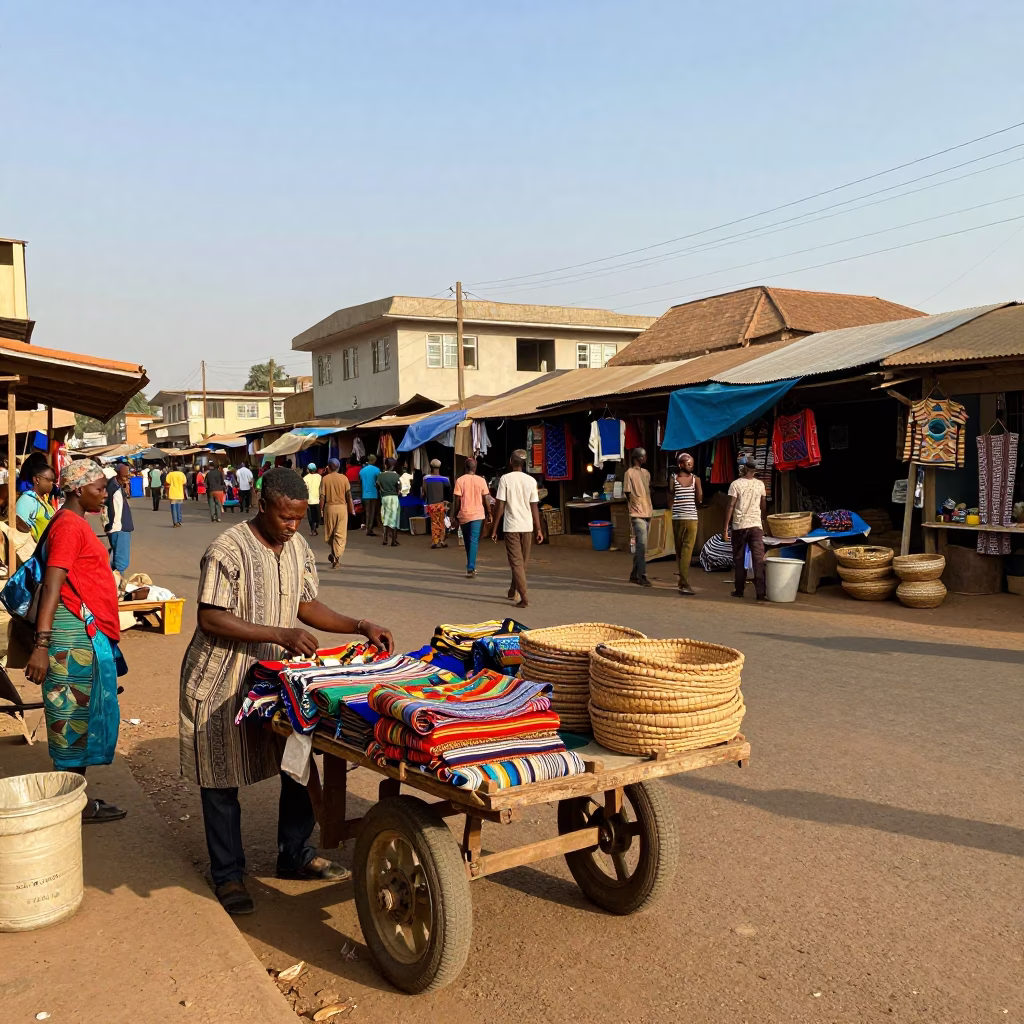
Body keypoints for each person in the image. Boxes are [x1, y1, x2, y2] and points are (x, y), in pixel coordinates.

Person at [178, 468, 393, 914]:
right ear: (263, 505)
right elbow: (210, 617)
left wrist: (360, 624)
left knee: (296, 763)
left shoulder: (297, 547)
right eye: (285, 517)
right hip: (222, 677)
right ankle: (228, 875)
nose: (293, 526)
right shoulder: (228, 549)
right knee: (221, 775)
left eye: (299, 517)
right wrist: (280, 633)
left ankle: (293, 853)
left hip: (275, 679)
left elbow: (306, 604)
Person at [25, 460, 127, 823]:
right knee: (70, 718)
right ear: (77, 489)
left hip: (80, 633)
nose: (104, 493)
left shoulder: (72, 522)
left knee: (78, 717)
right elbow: (53, 583)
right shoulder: (69, 526)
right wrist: (41, 645)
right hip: (69, 637)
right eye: (99, 488)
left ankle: (74, 801)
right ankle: (69, 807)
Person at [490, 450, 543, 608]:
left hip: (511, 526)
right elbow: (534, 507)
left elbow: (500, 506)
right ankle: (513, 590)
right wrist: (538, 529)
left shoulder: (505, 479)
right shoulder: (531, 481)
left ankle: (524, 596)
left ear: (511, 462)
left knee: (516, 562)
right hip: (527, 526)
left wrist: (494, 529)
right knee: (522, 562)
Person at [724, 457, 768, 601]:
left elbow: (731, 506)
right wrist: (762, 520)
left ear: (744, 469)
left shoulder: (735, 484)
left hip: (739, 526)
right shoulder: (760, 485)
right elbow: (763, 506)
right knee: (758, 560)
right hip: (756, 526)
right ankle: (761, 593)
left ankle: (739, 590)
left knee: (739, 558)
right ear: (754, 470)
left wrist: (725, 528)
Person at [671, 451, 702, 596]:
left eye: (692, 464)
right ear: (681, 464)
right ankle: (684, 583)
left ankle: (682, 582)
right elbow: (699, 498)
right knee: (686, 551)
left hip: (677, 517)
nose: (691, 466)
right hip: (691, 518)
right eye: (689, 464)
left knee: (680, 550)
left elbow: (670, 496)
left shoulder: (673, 479)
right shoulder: (696, 480)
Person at [453, 457, 491, 577]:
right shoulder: (482, 481)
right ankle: (471, 566)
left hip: (464, 514)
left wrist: (454, 515)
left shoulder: (460, 480)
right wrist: (489, 512)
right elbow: (486, 498)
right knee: (474, 540)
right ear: (475, 468)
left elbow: (457, 500)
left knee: (467, 541)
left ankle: (470, 566)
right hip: (478, 514)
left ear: (466, 467)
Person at [623, 447, 653, 588]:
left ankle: (634, 574)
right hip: (637, 513)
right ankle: (642, 575)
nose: (645, 458)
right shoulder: (629, 473)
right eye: (644, 456)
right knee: (641, 545)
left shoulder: (646, 473)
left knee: (643, 546)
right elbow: (628, 493)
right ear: (638, 457)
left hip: (647, 511)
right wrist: (634, 505)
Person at [320, 458, 354, 569]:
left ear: (328, 467)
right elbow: (349, 496)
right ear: (338, 467)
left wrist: (320, 510)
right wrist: (351, 508)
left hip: (329, 508)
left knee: (330, 534)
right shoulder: (344, 478)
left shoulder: (325, 479)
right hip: (342, 508)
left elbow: (322, 497)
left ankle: (334, 554)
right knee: (340, 534)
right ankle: (336, 557)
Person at [104, 463, 135, 571]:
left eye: (128, 476)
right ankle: (116, 585)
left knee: (115, 558)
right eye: (125, 476)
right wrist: (113, 528)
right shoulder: (115, 488)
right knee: (121, 563)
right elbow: (115, 511)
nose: (127, 479)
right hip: (119, 528)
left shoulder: (114, 484)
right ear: (118, 474)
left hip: (117, 528)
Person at [15, 462, 56, 541]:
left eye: (53, 481)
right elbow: (18, 530)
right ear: (37, 479)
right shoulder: (27, 500)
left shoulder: (44, 500)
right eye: (49, 480)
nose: (52, 484)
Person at [422, 459, 451, 548]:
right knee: (441, 522)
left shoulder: (426, 478)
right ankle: (442, 541)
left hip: (431, 504)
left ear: (431, 467)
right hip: (441, 504)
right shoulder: (445, 479)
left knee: (434, 522)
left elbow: (424, 492)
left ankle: (435, 541)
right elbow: (448, 492)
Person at [376, 457, 401, 547]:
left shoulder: (380, 475)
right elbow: (399, 489)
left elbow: (378, 486)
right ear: (393, 466)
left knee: (385, 516)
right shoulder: (396, 476)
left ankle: (385, 539)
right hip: (394, 498)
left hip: (384, 497)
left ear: (385, 465)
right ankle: (393, 540)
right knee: (394, 517)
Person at [359, 455, 381, 537]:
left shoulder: (362, 471)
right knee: (372, 512)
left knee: (367, 512)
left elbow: (360, 482)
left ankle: (368, 527)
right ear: (374, 460)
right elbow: (378, 482)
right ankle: (369, 529)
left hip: (365, 493)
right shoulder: (377, 470)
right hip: (373, 493)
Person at [164, 463, 187, 528]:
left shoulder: (170, 474)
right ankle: (179, 521)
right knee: (179, 508)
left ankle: (175, 522)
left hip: (172, 493)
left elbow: (167, 482)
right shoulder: (181, 474)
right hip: (180, 493)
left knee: (173, 508)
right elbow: (184, 482)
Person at [303, 463, 322, 536]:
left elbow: (304, 489)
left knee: (310, 516)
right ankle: (316, 526)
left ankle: (312, 529)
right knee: (317, 514)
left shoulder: (305, 478)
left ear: (308, 470)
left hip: (309, 500)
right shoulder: (319, 477)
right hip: (317, 499)